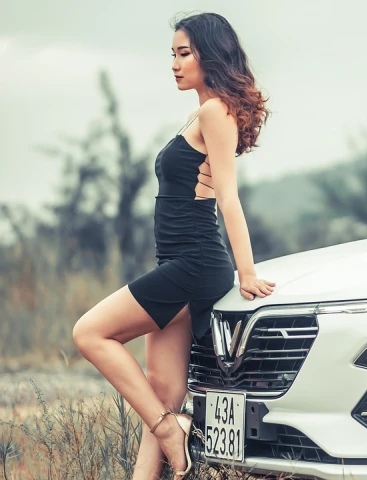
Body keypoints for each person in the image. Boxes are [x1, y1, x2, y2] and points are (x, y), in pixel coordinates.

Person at [72, 12, 276, 479]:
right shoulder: (203, 111)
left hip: (193, 263)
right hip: (181, 261)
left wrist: (246, 271)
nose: (175, 64)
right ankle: (163, 435)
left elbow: (228, 195)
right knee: (161, 392)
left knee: (90, 333)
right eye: (173, 54)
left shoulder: (214, 110)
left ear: (210, 54)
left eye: (184, 53)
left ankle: (169, 428)